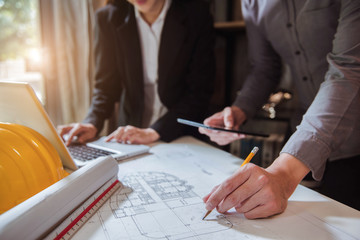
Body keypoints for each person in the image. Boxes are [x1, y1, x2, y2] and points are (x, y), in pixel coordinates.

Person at [200, 0, 360, 219]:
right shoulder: (251, 3)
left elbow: (349, 69)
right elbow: (264, 67)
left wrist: (284, 174)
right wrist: (239, 110)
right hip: (299, 133)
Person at [58, 0, 215, 145]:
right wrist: (92, 122)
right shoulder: (107, 18)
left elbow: (199, 92)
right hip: (130, 133)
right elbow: (106, 87)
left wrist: (155, 131)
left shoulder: (197, 14)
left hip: (181, 133)